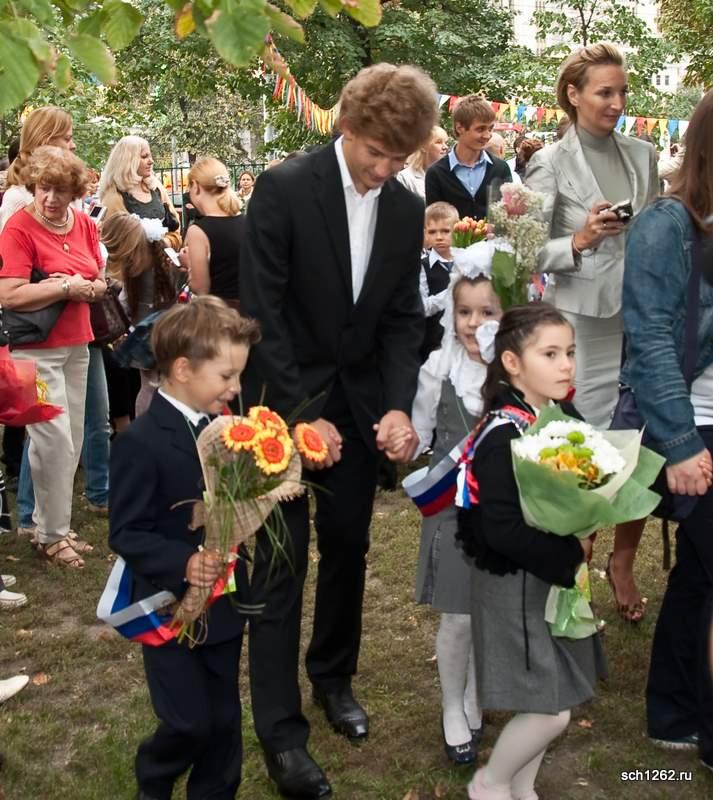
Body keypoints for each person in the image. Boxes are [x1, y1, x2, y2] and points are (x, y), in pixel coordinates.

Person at [240, 62, 438, 799]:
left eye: (399, 158)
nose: (384, 170)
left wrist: (397, 405)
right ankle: (281, 734)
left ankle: (333, 678)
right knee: (279, 565)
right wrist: (299, 415)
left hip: (357, 411)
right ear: (346, 127)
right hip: (278, 407)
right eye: (375, 153)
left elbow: (401, 317)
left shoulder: (405, 207)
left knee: (349, 549)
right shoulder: (285, 188)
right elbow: (262, 313)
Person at [525, 42, 659, 623]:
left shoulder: (644, 154)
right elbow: (525, 248)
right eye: (605, 92)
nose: (617, 103)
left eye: (622, 91)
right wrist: (579, 240)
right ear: (573, 95)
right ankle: (573, 569)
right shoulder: (549, 161)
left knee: (645, 442)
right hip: (582, 325)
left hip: (645, 319)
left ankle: (622, 561)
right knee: (590, 449)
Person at [109, 296, 260, 800]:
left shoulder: (230, 431)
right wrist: (184, 562)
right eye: (226, 376)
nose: (235, 388)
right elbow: (126, 532)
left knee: (223, 719)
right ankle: (155, 775)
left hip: (224, 606)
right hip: (169, 609)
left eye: (239, 376)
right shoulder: (141, 442)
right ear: (181, 369)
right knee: (188, 722)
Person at [457, 303, 605, 800]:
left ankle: (522, 786)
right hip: (514, 586)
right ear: (512, 362)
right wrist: (568, 554)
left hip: (548, 582)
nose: (566, 365)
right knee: (550, 708)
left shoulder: (561, 417)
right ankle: (490, 783)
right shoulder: (503, 433)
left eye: (570, 353)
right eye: (551, 354)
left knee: (550, 692)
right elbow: (500, 529)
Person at [621, 90, 713, 768]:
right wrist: (679, 444)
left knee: (700, 573)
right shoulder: (669, 223)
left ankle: (674, 709)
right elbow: (650, 337)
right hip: (696, 423)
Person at [401, 270, 502, 765]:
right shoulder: (438, 368)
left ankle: (476, 692)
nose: (473, 322)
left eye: (487, 312)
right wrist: (401, 440)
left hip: (502, 515)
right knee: (459, 615)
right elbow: (418, 435)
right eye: (464, 311)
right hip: (452, 512)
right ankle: (451, 706)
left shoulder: (515, 372)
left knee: (491, 609)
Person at [0, 146, 106, 567]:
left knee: (71, 439)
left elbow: (100, 279)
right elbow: (9, 294)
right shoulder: (18, 228)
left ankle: (53, 527)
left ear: (74, 191)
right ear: (33, 185)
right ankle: (50, 536)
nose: (50, 198)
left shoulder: (85, 224)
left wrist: (88, 287)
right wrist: (64, 287)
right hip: (33, 351)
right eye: (43, 188)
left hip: (77, 343)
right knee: (52, 439)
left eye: (60, 190)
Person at [100, 213, 178, 416]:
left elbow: (125, 302)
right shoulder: (160, 258)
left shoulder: (135, 269)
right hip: (169, 331)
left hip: (144, 335)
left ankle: (145, 426)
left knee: (149, 387)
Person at [426, 96, 512, 220]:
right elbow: (435, 222)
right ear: (459, 128)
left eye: (490, 129)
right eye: (480, 129)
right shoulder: (436, 173)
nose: (487, 135)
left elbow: (509, 216)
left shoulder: (501, 168)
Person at [98, 136, 181, 250]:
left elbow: (175, 224)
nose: (151, 161)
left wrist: (168, 242)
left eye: (150, 156)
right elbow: (115, 241)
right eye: (144, 156)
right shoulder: (113, 197)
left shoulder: (155, 187)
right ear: (127, 160)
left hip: (165, 258)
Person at [0, 107, 76, 231]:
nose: (73, 146)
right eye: (67, 139)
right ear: (45, 142)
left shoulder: (70, 188)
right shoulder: (18, 198)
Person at [184, 158, 243, 307]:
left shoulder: (198, 230)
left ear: (196, 186)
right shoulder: (247, 221)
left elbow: (200, 288)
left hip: (220, 312)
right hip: (251, 310)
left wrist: (189, 264)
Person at [419, 201, 459, 361]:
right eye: (432, 232)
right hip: (434, 345)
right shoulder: (422, 266)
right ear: (425, 233)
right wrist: (450, 294)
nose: (439, 237)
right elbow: (422, 307)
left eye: (445, 231)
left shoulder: (468, 262)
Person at [398, 126, 449, 199]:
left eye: (446, 142)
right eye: (439, 142)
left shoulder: (449, 177)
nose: (445, 147)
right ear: (423, 146)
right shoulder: (405, 178)